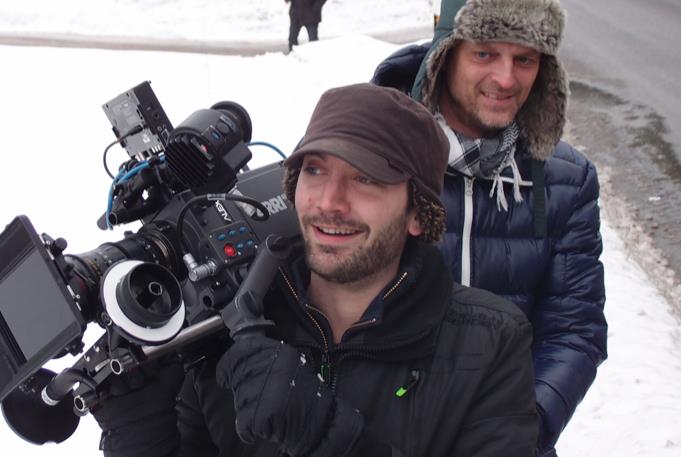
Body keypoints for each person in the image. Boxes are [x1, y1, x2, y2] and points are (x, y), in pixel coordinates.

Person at [91, 83, 539, 456]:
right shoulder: (238, 321)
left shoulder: (488, 342)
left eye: (366, 178)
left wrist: (323, 434)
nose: (328, 202)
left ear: (418, 214)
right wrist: (141, 431)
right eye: (316, 170)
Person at [370, 1, 608, 455]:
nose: (505, 79)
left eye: (525, 59)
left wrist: (522, 428)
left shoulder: (566, 180)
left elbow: (574, 330)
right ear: (446, 53)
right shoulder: (371, 155)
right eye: (484, 54)